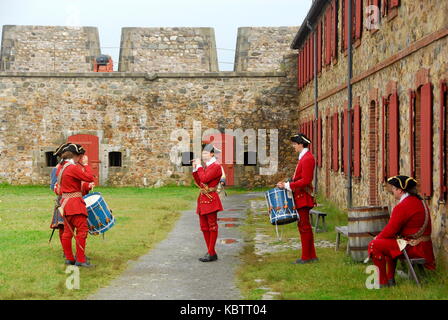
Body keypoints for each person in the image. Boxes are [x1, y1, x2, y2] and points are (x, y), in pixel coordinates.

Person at [368, 175, 436, 288]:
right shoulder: (419, 201)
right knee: (390, 242)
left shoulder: (403, 206)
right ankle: (390, 279)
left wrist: (377, 238)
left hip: (415, 248)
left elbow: (390, 230)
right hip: (423, 247)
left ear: (400, 190)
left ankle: (382, 282)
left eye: (394, 189)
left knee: (374, 245)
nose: (393, 192)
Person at [277, 133, 318, 264]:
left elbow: (306, 180)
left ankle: (307, 257)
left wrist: (288, 185)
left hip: (303, 197)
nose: (293, 146)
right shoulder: (304, 157)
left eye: (294, 144)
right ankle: (311, 255)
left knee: (304, 227)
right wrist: (288, 183)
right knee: (304, 226)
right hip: (301, 196)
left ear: (301, 144)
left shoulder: (307, 158)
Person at [55, 143, 95, 267]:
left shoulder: (61, 168)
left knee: (67, 232)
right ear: (76, 156)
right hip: (75, 204)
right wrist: (86, 164)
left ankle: (69, 258)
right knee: (82, 231)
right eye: (80, 156)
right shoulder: (72, 167)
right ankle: (81, 260)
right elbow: (89, 178)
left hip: (65, 204)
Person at [192, 143, 224, 262]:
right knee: (204, 227)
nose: (203, 155)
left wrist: (199, 166)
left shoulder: (216, 166)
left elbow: (205, 179)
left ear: (211, 154)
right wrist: (195, 168)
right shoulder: (206, 166)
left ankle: (211, 252)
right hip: (203, 198)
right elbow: (200, 181)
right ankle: (211, 252)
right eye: (203, 153)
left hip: (211, 199)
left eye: (205, 153)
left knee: (212, 226)